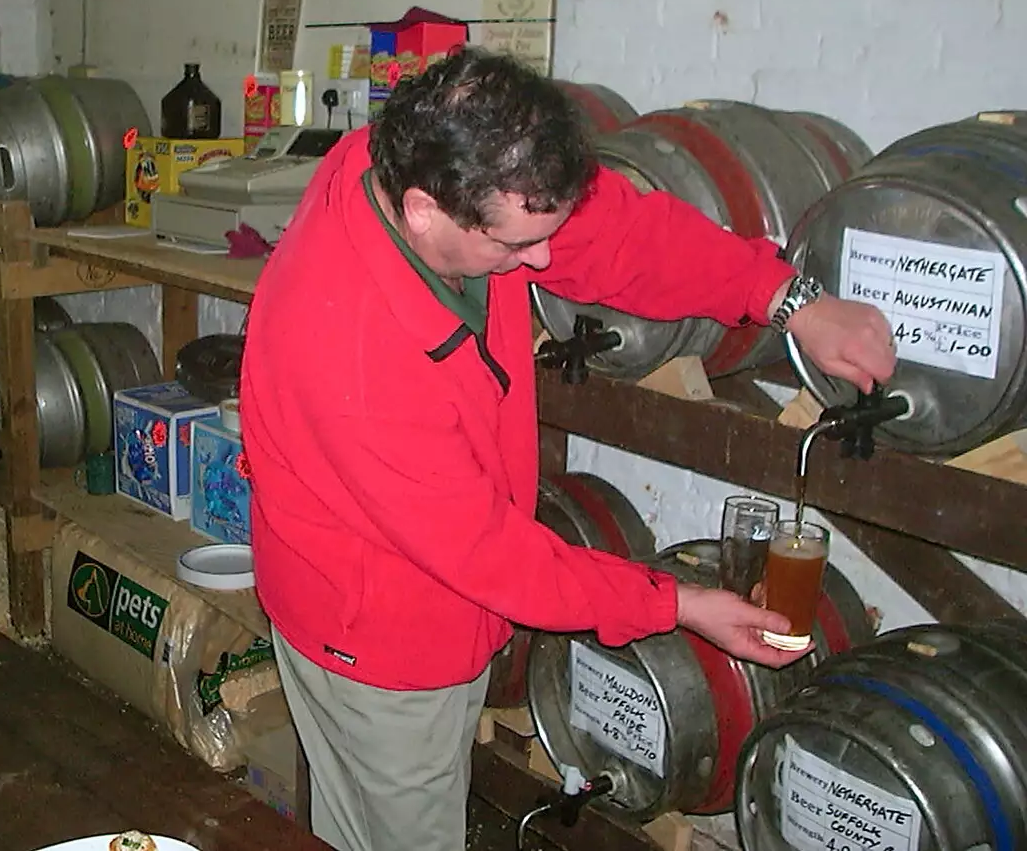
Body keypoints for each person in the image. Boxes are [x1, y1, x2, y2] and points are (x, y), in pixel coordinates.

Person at [238, 50, 895, 851]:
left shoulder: (430, 162)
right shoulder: (351, 350)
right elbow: (495, 557)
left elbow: (619, 237)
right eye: (518, 245)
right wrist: (679, 603)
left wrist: (789, 300)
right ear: (423, 211)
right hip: (375, 633)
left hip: (403, 568)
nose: (544, 263)